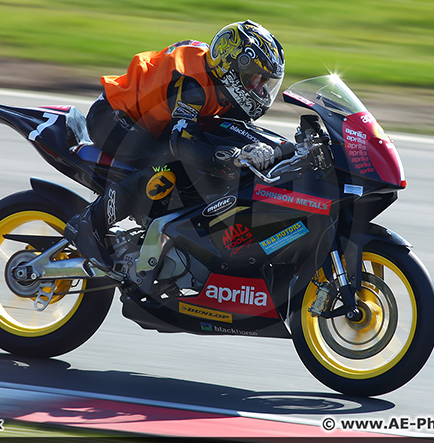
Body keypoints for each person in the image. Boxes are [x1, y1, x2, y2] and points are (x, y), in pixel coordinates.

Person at [64, 19, 285, 270]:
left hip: (154, 123)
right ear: (233, 68)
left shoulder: (220, 77)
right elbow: (181, 144)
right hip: (116, 118)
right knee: (163, 166)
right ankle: (88, 224)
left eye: (265, 83)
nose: (260, 91)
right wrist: (232, 156)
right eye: (255, 80)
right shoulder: (191, 84)